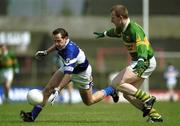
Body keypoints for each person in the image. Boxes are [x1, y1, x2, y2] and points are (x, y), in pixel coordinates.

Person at [20, 28, 119, 122]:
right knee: (48, 89)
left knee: (89, 101)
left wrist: (58, 89)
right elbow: (56, 47)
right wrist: (46, 52)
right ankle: (32, 115)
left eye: (58, 40)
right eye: (55, 40)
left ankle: (111, 90)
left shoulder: (70, 52)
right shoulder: (61, 44)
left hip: (82, 74)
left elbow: (69, 74)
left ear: (66, 38)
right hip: (67, 68)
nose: (56, 43)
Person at [93, 4, 163, 122]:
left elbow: (142, 46)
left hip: (144, 61)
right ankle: (155, 116)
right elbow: (115, 32)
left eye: (113, 18)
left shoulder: (134, 29)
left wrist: (141, 59)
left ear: (120, 17)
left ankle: (148, 98)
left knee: (116, 83)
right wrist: (104, 33)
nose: (111, 20)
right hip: (140, 61)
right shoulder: (122, 28)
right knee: (127, 94)